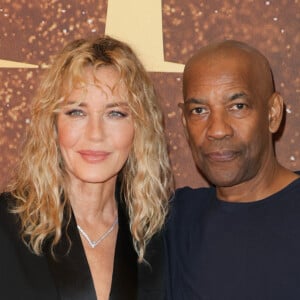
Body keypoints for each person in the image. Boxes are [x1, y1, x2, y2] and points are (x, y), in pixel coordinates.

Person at [0, 36, 173, 300]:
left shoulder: (156, 234)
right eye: (76, 112)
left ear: (140, 127)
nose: (95, 134)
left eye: (115, 113)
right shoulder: (6, 226)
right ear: (53, 123)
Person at [165, 40, 300, 300]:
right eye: (200, 110)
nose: (217, 130)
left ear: (272, 113)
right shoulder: (175, 221)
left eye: (237, 106)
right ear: (184, 122)